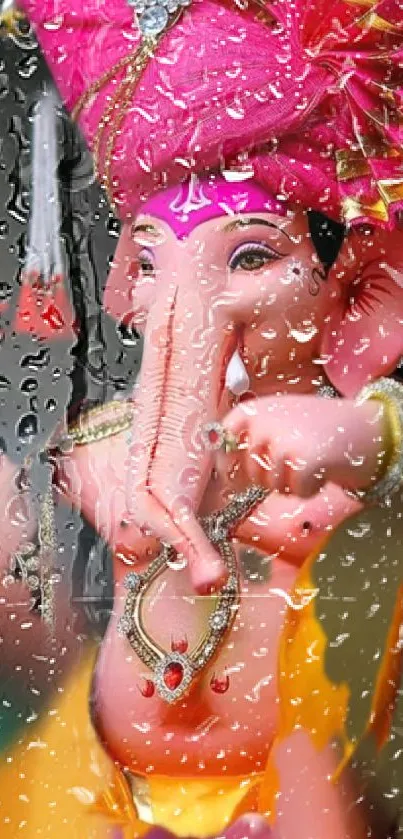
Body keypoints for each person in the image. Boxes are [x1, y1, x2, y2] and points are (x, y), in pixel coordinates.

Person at [1, 0, 403, 837]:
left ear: (356, 291)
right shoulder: (120, 441)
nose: (185, 307)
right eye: (151, 262)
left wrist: (369, 437)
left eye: (251, 256)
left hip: (303, 800)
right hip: (98, 800)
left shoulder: (351, 437)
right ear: (126, 286)